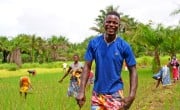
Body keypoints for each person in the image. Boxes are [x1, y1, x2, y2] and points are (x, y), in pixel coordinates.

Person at [76, 11, 138, 110]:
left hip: (115, 94)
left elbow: (133, 70)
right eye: (109, 22)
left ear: (119, 26)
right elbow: (87, 66)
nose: (111, 25)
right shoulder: (94, 43)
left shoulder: (124, 46)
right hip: (97, 95)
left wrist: (132, 95)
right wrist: (81, 91)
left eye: (115, 23)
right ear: (104, 23)